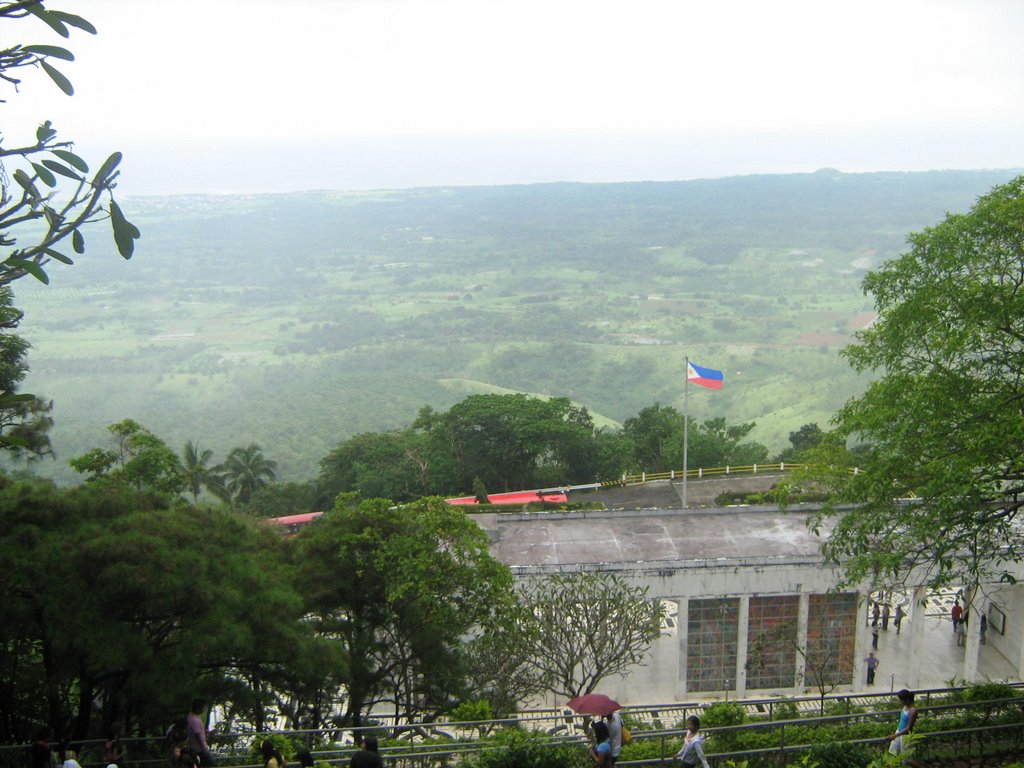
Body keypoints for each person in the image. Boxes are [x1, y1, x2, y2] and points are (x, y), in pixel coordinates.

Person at [888, 689, 917, 757]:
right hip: (899, 732)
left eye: (901, 700)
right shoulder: (905, 707)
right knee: (892, 753)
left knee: (907, 759)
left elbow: (908, 727)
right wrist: (896, 733)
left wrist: (895, 735)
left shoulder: (913, 711)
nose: (900, 702)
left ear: (906, 700)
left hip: (905, 735)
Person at [186, 699, 214, 767]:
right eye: (203, 707)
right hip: (199, 750)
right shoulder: (195, 720)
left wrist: (208, 732)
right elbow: (199, 737)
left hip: (193, 748)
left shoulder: (191, 716)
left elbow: (199, 731)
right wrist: (206, 751)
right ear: (198, 708)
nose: (204, 709)